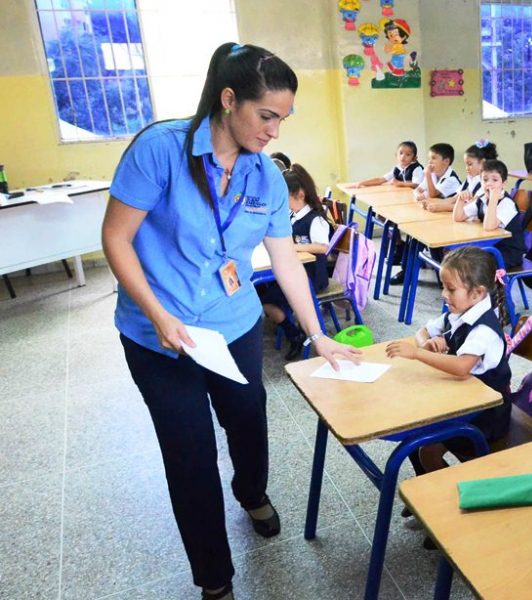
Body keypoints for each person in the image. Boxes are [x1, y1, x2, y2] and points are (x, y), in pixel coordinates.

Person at [101, 42, 362, 600]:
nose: (275, 132)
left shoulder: (265, 176)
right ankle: (214, 579)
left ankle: (252, 492)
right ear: (228, 99)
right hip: (157, 337)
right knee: (189, 453)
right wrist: (158, 314)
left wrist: (319, 335)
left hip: (233, 323)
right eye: (267, 116)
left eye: (283, 119)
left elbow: (286, 259)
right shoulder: (160, 150)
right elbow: (115, 239)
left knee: (247, 419)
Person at [385, 246, 513, 471]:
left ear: (477, 292)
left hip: (485, 417)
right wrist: (429, 342)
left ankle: (442, 498)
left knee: (422, 444)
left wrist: (418, 353)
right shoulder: (460, 312)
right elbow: (424, 331)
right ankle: (429, 494)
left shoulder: (484, 329)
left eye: (451, 289)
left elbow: (462, 366)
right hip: (461, 402)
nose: (444, 294)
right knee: (415, 439)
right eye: (444, 287)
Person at [257, 163, 333, 359]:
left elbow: (323, 247)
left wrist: (294, 247)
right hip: (297, 271)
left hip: (313, 277)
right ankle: (293, 331)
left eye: (285, 197)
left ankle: (294, 334)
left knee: (266, 301)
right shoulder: (292, 215)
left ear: (299, 194)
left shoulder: (315, 219)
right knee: (260, 291)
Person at [452, 159, 526, 269]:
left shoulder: (507, 203)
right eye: (485, 180)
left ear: (503, 184)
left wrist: (493, 200)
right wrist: (461, 199)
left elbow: (489, 226)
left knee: (472, 264)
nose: (489, 184)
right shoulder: (481, 200)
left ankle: (478, 285)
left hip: (508, 252)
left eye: (495, 180)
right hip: (491, 246)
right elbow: (458, 217)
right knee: (457, 256)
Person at [354, 140, 423, 188]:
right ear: (396, 155)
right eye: (401, 153)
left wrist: (400, 184)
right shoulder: (397, 168)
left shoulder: (416, 168)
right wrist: (362, 183)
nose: (403, 157)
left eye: (408, 154)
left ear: (414, 158)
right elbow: (380, 180)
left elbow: (416, 184)